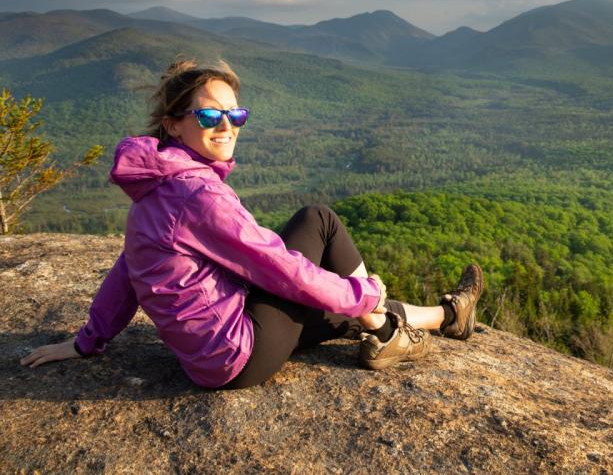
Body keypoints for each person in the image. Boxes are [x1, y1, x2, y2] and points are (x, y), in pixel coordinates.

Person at [20, 59, 483, 389]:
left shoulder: (156, 184)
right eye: (208, 114)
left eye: (234, 113)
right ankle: (384, 333)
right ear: (173, 125)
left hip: (213, 347)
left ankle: (445, 317)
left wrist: (87, 342)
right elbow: (278, 267)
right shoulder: (198, 194)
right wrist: (364, 293)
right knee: (318, 222)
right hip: (235, 355)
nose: (227, 124)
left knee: (331, 306)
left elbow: (129, 271)